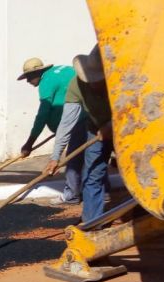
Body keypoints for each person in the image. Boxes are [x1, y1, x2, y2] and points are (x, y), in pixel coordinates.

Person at [44, 45, 113, 222]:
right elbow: (66, 123)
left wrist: (113, 125)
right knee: (92, 175)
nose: (94, 83)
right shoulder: (77, 84)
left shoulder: (122, 80)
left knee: (137, 173)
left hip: (130, 129)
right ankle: (92, 223)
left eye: (98, 79)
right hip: (95, 128)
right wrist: (55, 157)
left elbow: (136, 110)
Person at [17, 58, 81, 204]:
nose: (27, 81)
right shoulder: (62, 70)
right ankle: (102, 192)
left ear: (38, 72)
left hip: (77, 119)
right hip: (88, 114)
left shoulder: (46, 82)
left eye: (28, 77)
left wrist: (29, 144)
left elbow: (42, 116)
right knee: (89, 158)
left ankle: (72, 194)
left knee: (72, 158)